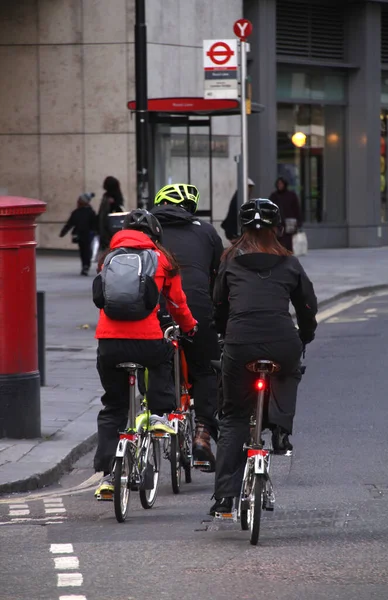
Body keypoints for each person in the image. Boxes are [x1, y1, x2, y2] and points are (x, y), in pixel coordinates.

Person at [210, 198, 317, 515]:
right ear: (277, 229)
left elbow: (218, 306)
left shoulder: (229, 260)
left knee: (233, 416)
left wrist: (222, 332)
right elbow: (307, 308)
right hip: (282, 341)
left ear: (242, 229)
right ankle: (281, 429)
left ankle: (225, 498)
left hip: (240, 342)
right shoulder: (290, 264)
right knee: (289, 370)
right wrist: (304, 336)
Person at [93, 209, 198, 500]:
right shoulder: (162, 259)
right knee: (166, 355)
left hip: (109, 343)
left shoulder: (108, 259)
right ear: (155, 235)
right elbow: (177, 303)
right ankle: (159, 414)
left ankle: (107, 477)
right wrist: (189, 327)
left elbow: (102, 298)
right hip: (148, 340)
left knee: (113, 407)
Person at [151, 183, 224, 470]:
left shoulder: (148, 230)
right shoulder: (206, 231)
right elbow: (220, 278)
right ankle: (202, 436)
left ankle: (159, 416)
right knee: (206, 369)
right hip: (196, 306)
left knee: (156, 361)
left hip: (155, 308)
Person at [59, 192, 97, 276]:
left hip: (82, 234)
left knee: (84, 251)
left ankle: (85, 265)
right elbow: (95, 224)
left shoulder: (77, 212)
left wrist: (63, 232)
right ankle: (86, 266)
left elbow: (69, 224)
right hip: (86, 235)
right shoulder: (90, 212)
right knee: (86, 250)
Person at [269, 177, 302, 252]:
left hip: (289, 222)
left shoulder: (291, 195)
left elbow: (296, 209)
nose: (279, 185)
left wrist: (299, 222)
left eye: (281, 184)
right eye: (278, 184)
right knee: (278, 240)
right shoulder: (274, 196)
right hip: (278, 222)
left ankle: (288, 255)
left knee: (288, 241)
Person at [221, 178, 255, 242]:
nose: (250, 190)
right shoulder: (240, 197)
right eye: (249, 187)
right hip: (234, 230)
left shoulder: (241, 196)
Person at [98, 176, 125, 251]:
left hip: (107, 223)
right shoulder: (116, 196)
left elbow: (103, 211)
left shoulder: (110, 197)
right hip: (111, 223)